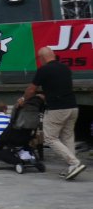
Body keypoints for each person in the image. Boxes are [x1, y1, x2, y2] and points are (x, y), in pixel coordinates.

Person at [20, 46, 85, 180]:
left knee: (50, 138)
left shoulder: (44, 70)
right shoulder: (65, 68)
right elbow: (57, 86)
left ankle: (74, 162)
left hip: (57, 108)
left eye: (39, 59)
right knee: (67, 137)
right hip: (73, 107)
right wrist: (46, 94)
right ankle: (72, 167)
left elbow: (31, 90)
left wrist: (23, 100)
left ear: (42, 58)